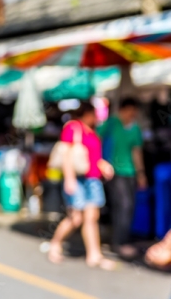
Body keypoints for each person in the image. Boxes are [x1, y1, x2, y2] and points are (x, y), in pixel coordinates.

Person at [48, 101, 116, 270]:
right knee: (75, 218)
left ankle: (94, 255)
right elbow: (66, 155)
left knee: (91, 217)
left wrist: (103, 165)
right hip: (77, 180)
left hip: (92, 180)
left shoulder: (92, 132)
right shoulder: (73, 128)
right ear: (87, 114)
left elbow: (93, 158)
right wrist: (69, 179)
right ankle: (55, 244)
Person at [99, 97, 147, 258]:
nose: (132, 114)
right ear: (123, 110)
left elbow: (136, 152)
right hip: (114, 173)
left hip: (130, 172)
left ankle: (122, 239)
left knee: (129, 207)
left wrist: (141, 173)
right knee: (122, 206)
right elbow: (96, 139)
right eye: (130, 111)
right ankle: (119, 243)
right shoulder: (111, 123)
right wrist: (101, 162)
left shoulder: (135, 129)